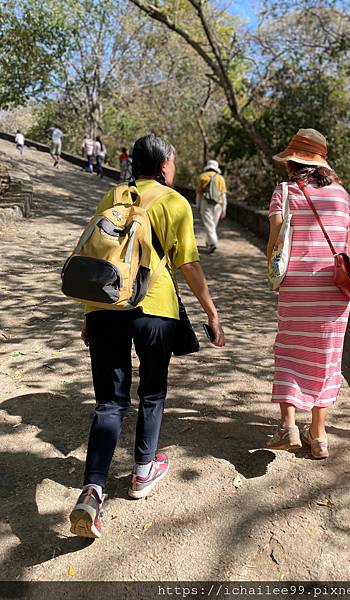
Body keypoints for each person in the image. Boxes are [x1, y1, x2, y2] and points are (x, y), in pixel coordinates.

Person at [69, 134, 225, 539]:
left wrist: (91, 314)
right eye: (173, 162)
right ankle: (142, 471)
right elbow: (188, 264)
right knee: (152, 392)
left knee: (109, 402)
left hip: (106, 307)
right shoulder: (174, 202)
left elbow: (99, 256)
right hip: (155, 310)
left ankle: (92, 489)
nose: (175, 168)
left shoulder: (113, 194)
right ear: (163, 165)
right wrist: (211, 311)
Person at [266, 128, 350, 459]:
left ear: (292, 163)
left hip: (296, 287)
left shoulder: (284, 192)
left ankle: (288, 425)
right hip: (334, 290)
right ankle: (318, 436)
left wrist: (274, 273)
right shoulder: (343, 195)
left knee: (290, 349)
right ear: (321, 163)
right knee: (327, 356)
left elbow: (276, 241)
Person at [196, 159, 227, 254]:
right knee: (213, 224)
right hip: (218, 204)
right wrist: (224, 208)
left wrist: (198, 205)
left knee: (209, 224)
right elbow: (223, 195)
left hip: (205, 203)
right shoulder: (220, 178)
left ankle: (213, 243)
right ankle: (209, 242)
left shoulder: (202, 177)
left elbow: (198, 193)